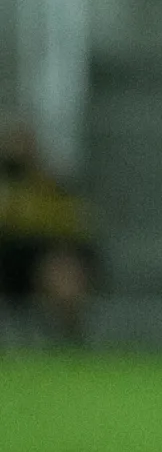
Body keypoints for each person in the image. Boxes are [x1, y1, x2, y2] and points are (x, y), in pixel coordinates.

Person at [0, 121, 93, 344]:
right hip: (5, 255)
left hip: (37, 256)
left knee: (62, 271)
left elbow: (74, 225)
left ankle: (67, 342)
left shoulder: (49, 185)